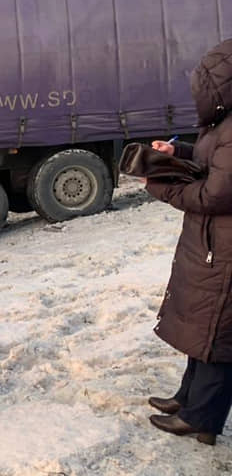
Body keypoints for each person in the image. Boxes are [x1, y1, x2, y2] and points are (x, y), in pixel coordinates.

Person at [144, 38, 232, 446]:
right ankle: (188, 399)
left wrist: (161, 188)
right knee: (203, 325)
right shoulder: (223, 123)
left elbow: (217, 193)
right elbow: (208, 161)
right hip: (212, 244)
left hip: (226, 249)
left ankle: (203, 420)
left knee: (218, 333)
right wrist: (174, 152)